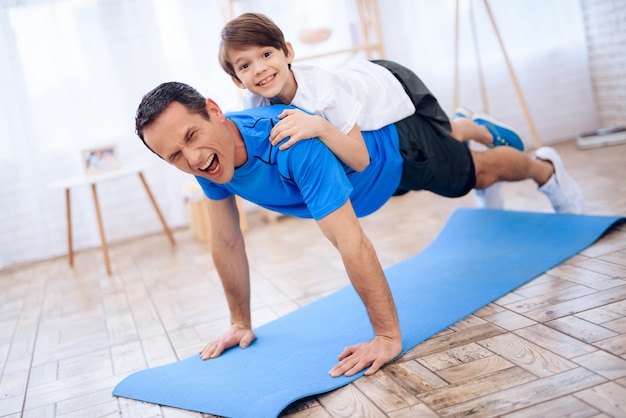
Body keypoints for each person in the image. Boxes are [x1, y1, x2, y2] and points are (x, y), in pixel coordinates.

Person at [134, 64, 584, 378]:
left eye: (192, 136)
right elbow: (228, 240)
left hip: (396, 148)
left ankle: (544, 168)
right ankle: (459, 125)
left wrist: (386, 335)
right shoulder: (208, 163)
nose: (192, 158)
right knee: (463, 155)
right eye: (174, 155)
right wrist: (239, 321)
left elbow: (350, 241)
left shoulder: (287, 141)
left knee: (475, 173)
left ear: (214, 109)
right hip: (368, 179)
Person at [218, 12, 525, 177]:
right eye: (245, 65)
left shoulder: (322, 91)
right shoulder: (253, 103)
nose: (259, 69)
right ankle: (462, 122)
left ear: (288, 52)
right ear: (237, 80)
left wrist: (319, 126)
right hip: (360, 83)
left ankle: (479, 128)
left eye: (267, 54)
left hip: (390, 83)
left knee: (450, 133)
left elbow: (361, 159)